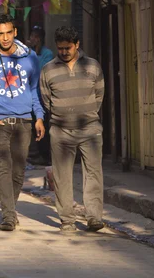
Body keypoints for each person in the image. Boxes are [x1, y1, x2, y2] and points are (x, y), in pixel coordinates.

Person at [0, 13, 45, 232]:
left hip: (25, 121)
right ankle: (8, 216)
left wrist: (39, 117)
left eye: (9, 32)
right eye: (0, 33)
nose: (5, 38)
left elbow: (34, 89)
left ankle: (10, 209)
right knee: (3, 167)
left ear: (15, 32)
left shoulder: (31, 58)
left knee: (18, 170)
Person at [40, 26, 105, 233]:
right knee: (62, 176)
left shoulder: (92, 66)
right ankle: (67, 219)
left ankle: (94, 217)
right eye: (60, 48)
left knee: (93, 174)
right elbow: (46, 100)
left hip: (90, 129)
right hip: (60, 131)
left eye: (68, 48)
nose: (64, 52)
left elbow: (99, 96)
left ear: (77, 45)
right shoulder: (48, 69)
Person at [27, 25, 54, 165]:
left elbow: (39, 71)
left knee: (44, 125)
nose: (33, 39)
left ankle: (46, 156)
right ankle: (37, 154)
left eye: (36, 37)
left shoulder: (47, 54)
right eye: (32, 36)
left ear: (41, 39)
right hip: (30, 97)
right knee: (33, 126)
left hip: (42, 96)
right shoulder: (28, 53)